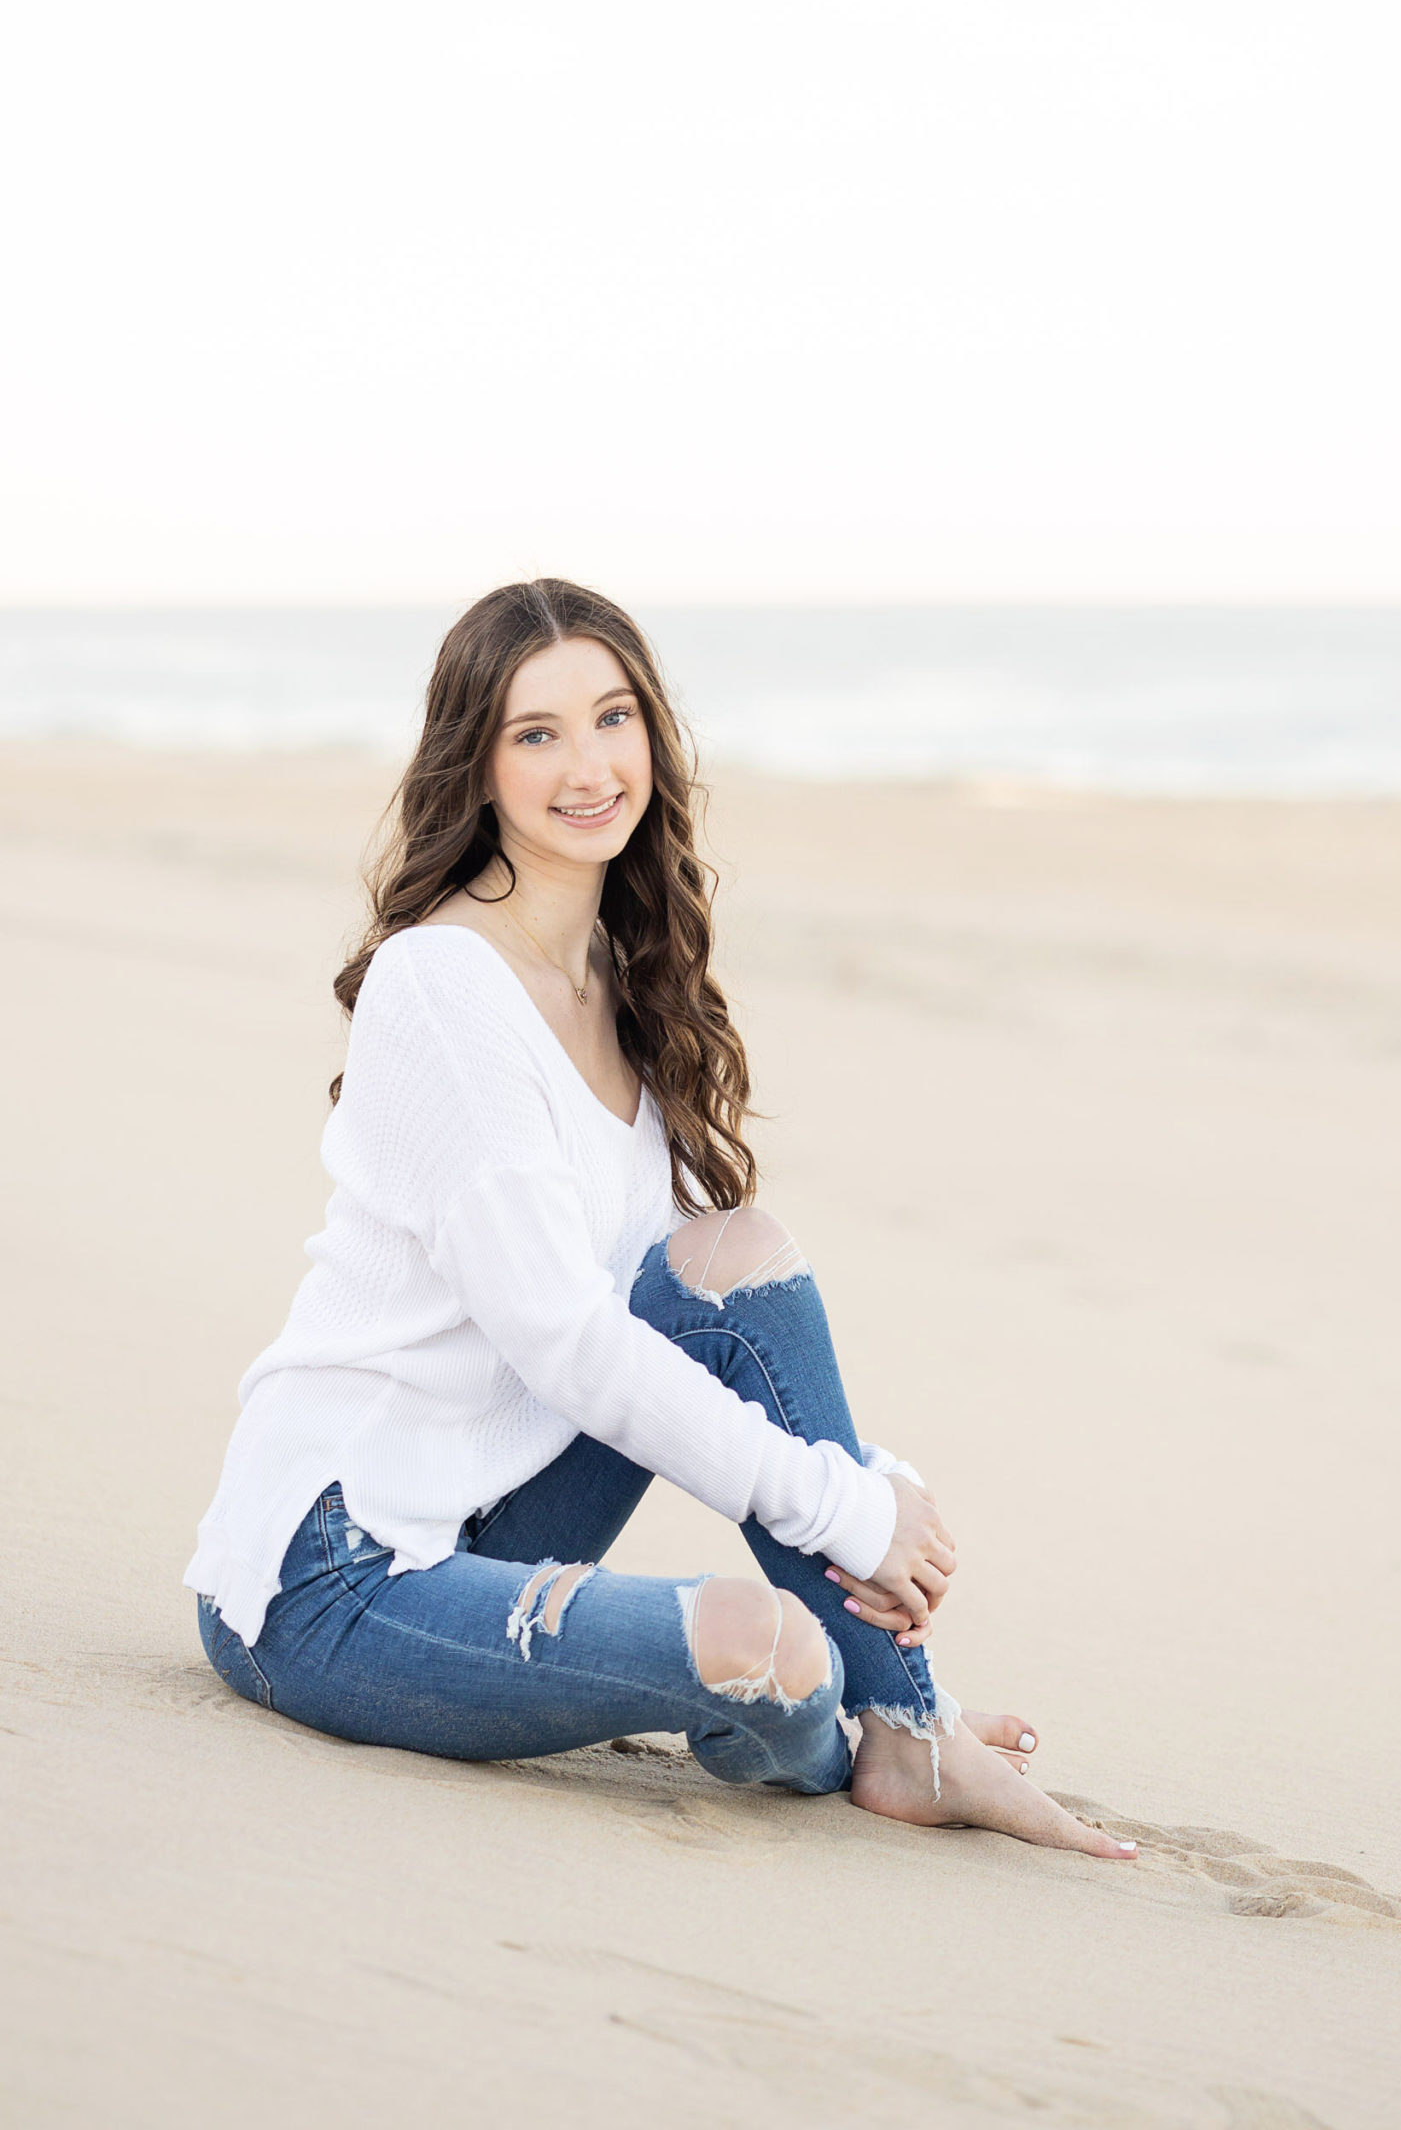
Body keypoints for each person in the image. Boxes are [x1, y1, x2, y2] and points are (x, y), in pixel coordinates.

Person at [186, 577, 1136, 1857]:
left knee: (731, 1255)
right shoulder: (440, 986)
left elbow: (704, 1334)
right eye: (537, 733)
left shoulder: (626, 985)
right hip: (335, 1574)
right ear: (477, 765)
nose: (588, 766)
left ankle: (912, 1732)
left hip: (514, 1505)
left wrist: (866, 1481)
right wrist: (845, 1511)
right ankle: (864, 1723)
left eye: (614, 717)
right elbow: (568, 1344)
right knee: (766, 1648)